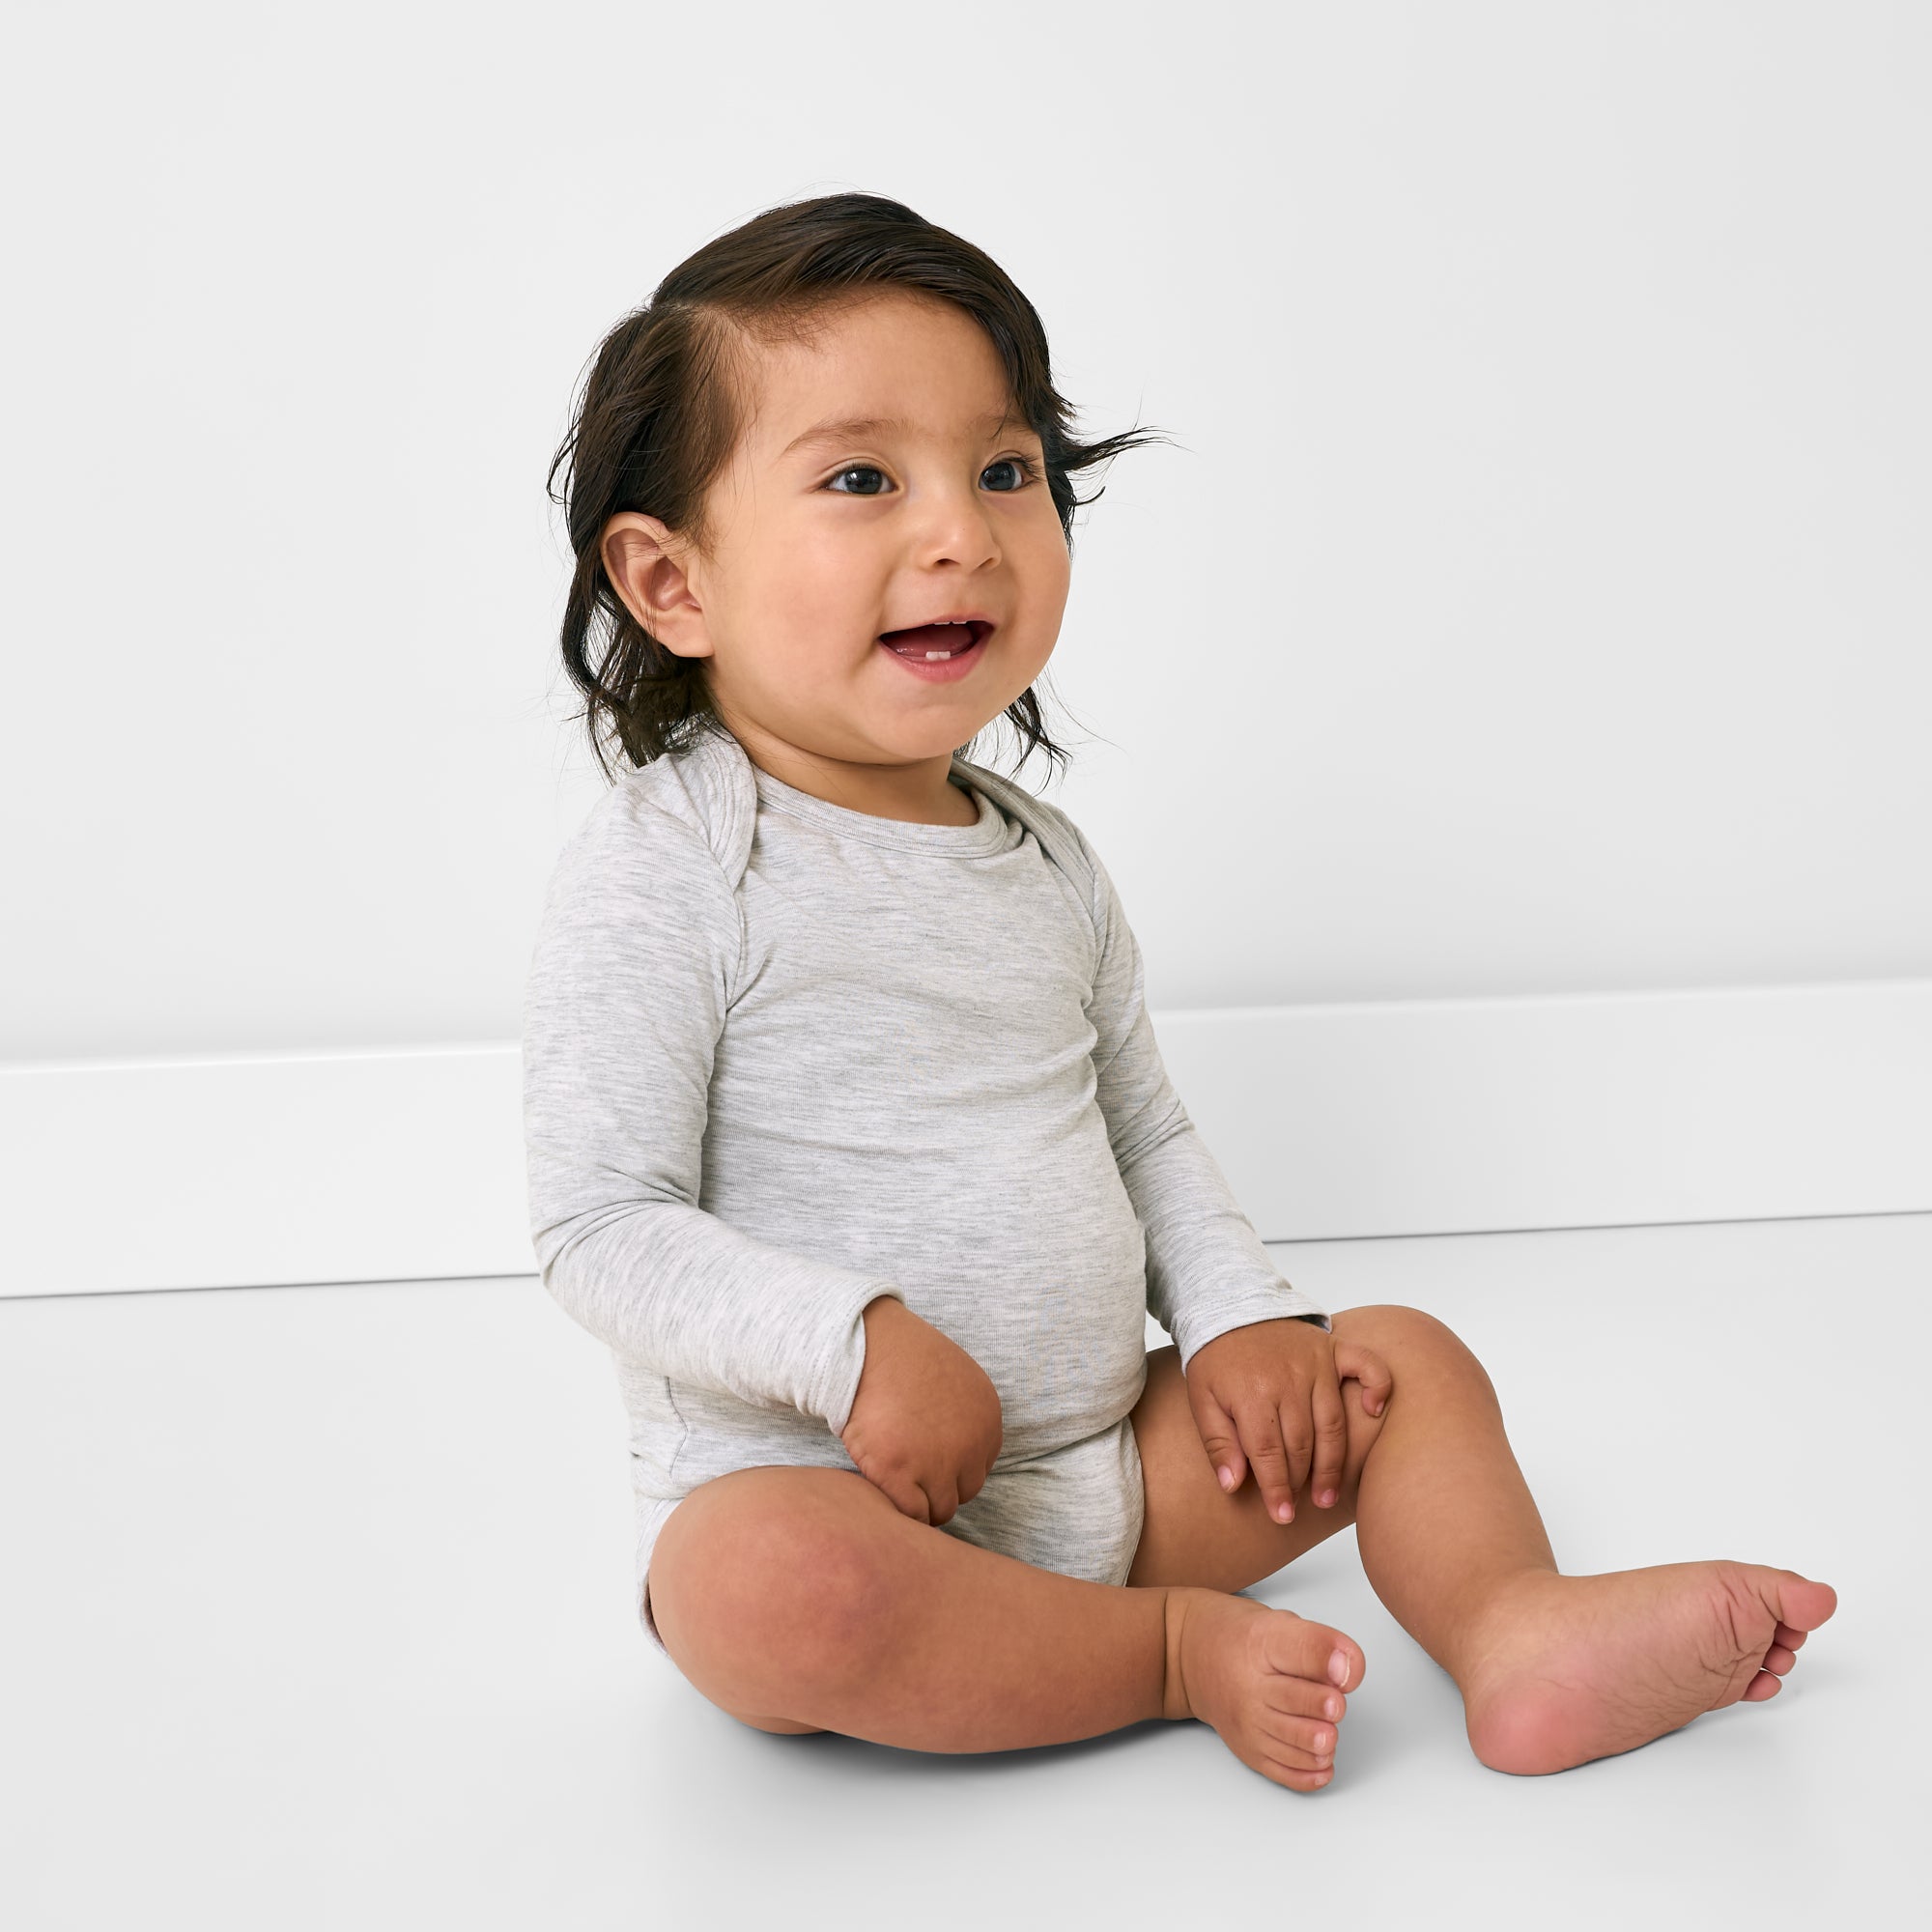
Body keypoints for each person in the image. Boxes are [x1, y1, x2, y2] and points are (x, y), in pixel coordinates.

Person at [521, 191, 1835, 1791]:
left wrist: (1240, 1320)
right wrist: (849, 1346)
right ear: (672, 586)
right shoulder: (671, 866)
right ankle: (1160, 1656)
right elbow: (600, 1223)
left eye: (1006, 471)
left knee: (1398, 1361)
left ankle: (1515, 1629)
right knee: (761, 1589)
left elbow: (1142, 1128)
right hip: (832, 1494)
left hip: (1111, 1479)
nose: (961, 532)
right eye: (862, 479)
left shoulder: (1045, 863)